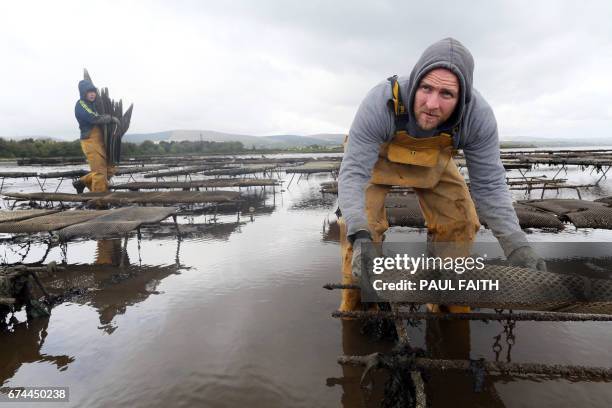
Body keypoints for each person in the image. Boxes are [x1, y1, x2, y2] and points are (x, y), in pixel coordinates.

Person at [337, 37, 546, 313]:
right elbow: (352, 174)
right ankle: (357, 309)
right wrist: (359, 233)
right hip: (376, 161)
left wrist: (516, 245)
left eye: (446, 95)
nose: (432, 104)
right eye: (426, 88)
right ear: (416, 81)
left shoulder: (477, 117)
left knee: (461, 222)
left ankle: (447, 306)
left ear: (462, 98)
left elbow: (490, 186)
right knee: (361, 235)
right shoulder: (382, 101)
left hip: (432, 163)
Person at [73, 79, 120, 193]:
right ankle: (99, 204)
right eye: (89, 92)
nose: (92, 94)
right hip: (90, 141)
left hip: (100, 141)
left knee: (110, 169)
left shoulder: (94, 105)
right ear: (84, 93)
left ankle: (81, 182)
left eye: (94, 91)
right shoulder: (81, 104)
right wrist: (110, 118)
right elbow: (93, 118)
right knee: (99, 173)